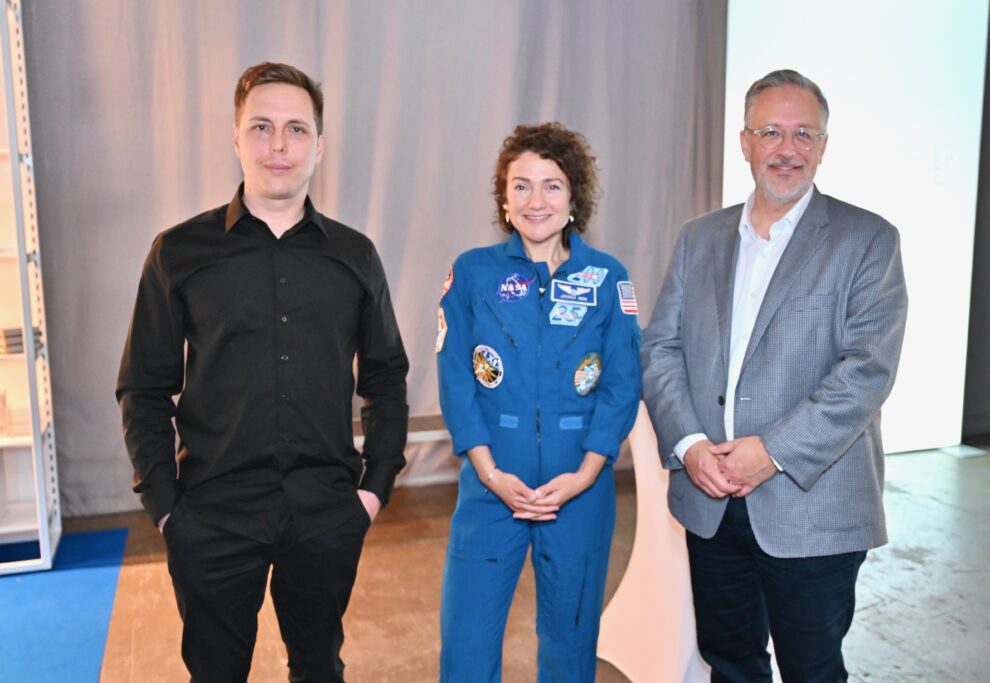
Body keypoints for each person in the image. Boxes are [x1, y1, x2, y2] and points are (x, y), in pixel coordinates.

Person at [115, 62, 408, 682]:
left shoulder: (355, 256)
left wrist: (373, 491)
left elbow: (385, 377)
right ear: (236, 136)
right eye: (262, 127)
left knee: (319, 669)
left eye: (297, 129)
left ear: (320, 145)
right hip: (212, 514)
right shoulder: (178, 251)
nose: (279, 145)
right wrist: (166, 506)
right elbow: (144, 387)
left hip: (327, 512)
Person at [641, 69, 908, 682]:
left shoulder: (867, 240)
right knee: (730, 664)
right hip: (710, 498)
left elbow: (867, 371)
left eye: (803, 135)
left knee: (813, 671)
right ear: (744, 141)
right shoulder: (699, 238)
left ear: (823, 145)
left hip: (814, 508)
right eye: (771, 132)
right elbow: (661, 348)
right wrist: (688, 445)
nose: (787, 150)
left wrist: (774, 452)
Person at [436, 122, 642, 681]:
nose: (536, 201)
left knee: (570, 644)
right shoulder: (473, 273)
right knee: (467, 646)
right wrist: (489, 471)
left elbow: (623, 383)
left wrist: (585, 474)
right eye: (521, 186)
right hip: (490, 487)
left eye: (552, 185)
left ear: (575, 197)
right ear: (504, 199)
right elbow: (456, 378)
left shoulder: (607, 278)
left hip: (579, 490)